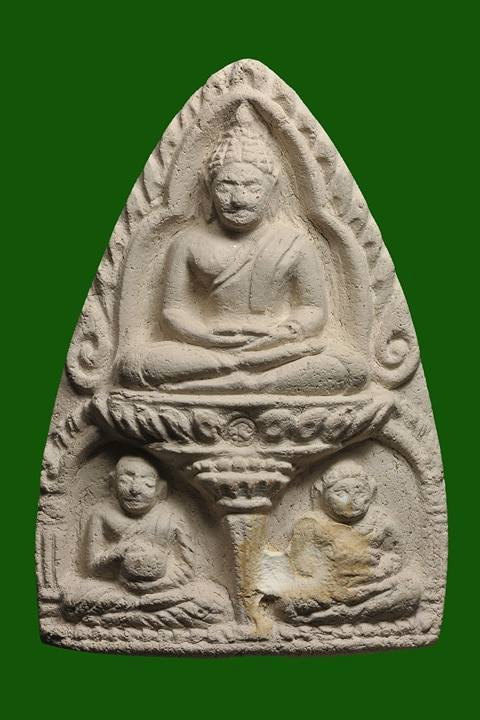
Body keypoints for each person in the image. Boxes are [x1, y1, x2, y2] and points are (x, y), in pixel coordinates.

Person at [119, 102, 367, 394]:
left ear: (272, 188)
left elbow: (312, 309)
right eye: (226, 186)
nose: (238, 199)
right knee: (134, 366)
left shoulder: (294, 242)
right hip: (210, 347)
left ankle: (236, 381)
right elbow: (174, 310)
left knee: (352, 369)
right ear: (209, 187)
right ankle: (247, 378)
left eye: (252, 187)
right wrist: (206, 337)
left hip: (275, 347)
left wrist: (286, 332)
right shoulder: (187, 242)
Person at [62, 455, 231, 626]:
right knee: (72, 601)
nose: (135, 489)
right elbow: (92, 568)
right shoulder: (101, 514)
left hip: (163, 592)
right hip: (118, 590)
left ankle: (125, 618)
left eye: (147, 484)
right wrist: (117, 553)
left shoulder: (172, 517)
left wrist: (154, 585)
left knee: (214, 603)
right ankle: (147, 617)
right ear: (112, 484)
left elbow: (186, 569)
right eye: (125, 481)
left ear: (160, 489)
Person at [279, 460, 422, 624]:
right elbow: (299, 566)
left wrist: (377, 571)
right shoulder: (311, 523)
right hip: (327, 590)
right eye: (340, 493)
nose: (351, 501)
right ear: (322, 494)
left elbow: (396, 556)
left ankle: (336, 616)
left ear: (371, 494)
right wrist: (339, 563)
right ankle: (354, 615)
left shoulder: (381, 522)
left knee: (411, 589)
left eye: (360, 493)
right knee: (286, 600)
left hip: (370, 587)